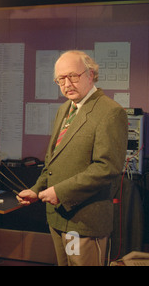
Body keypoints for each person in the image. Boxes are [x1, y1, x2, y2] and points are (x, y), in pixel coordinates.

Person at [17, 50, 128, 266]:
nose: (67, 84)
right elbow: (52, 160)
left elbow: (106, 168)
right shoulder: (64, 109)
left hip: (84, 221)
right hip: (58, 218)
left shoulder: (110, 112)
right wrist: (37, 189)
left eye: (72, 76)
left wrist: (60, 192)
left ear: (91, 74)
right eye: (60, 79)